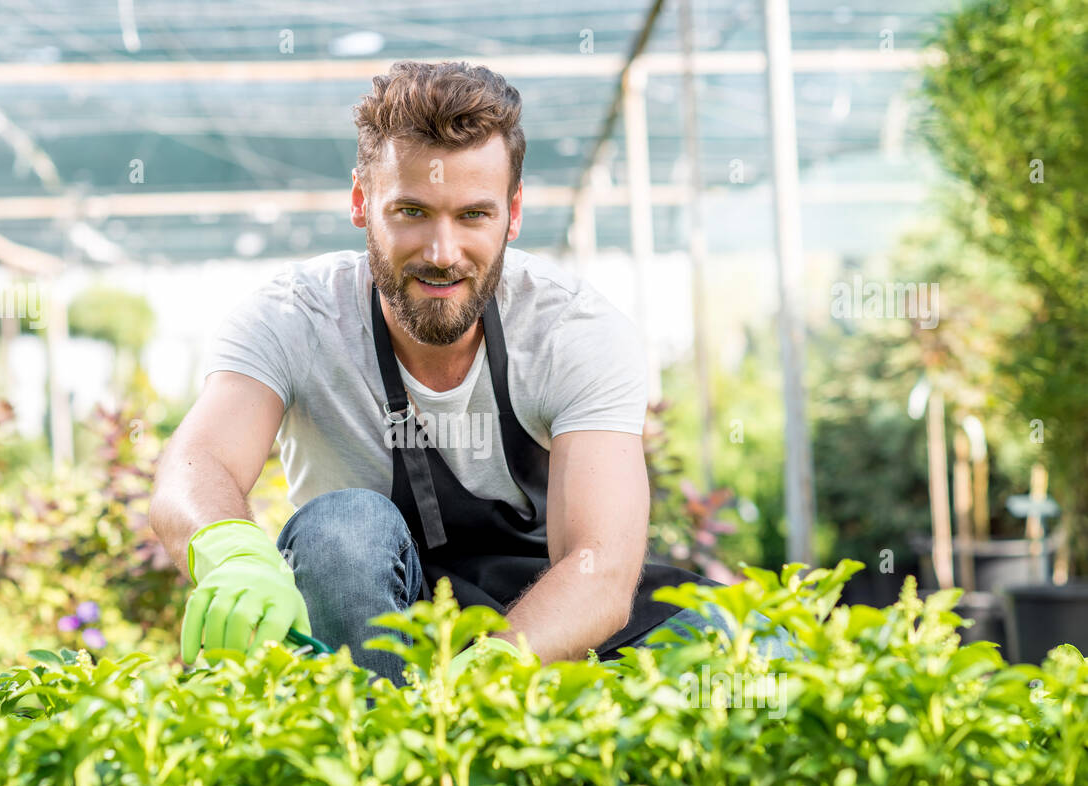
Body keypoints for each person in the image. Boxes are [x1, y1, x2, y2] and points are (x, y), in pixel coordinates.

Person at [150, 60, 790, 690]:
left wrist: (486, 677)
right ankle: (375, 746)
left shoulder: (573, 330)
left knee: (753, 645)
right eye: (411, 212)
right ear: (360, 203)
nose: (442, 253)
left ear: (512, 213)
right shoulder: (296, 315)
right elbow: (195, 463)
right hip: (367, 609)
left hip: (546, 607)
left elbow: (598, 568)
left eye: (472, 215)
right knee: (341, 529)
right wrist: (233, 552)